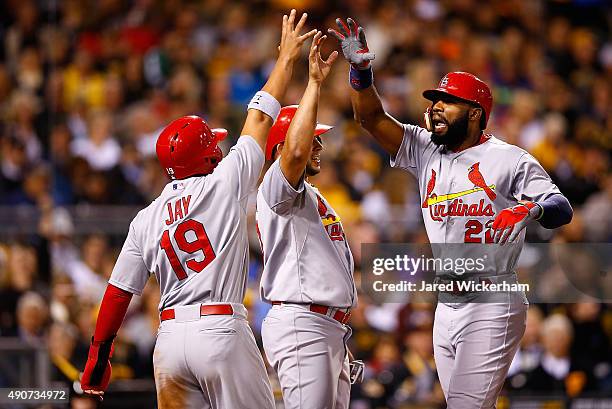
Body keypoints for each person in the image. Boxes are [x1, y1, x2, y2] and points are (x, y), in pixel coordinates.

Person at [329, 17, 573, 408]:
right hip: (447, 302)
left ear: (475, 113)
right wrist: (361, 72)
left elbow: (561, 207)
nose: (436, 108)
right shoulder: (425, 147)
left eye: (447, 102)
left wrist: (530, 209)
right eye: (434, 101)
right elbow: (370, 118)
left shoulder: (508, 158)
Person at [80, 10, 317, 408]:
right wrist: (286, 59)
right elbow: (261, 116)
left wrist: (97, 358)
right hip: (221, 330)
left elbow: (118, 294)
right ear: (208, 154)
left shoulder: (146, 218)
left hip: (169, 341)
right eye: (214, 143)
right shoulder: (223, 183)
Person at [256, 32, 359, 409]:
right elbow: (296, 150)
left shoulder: (311, 195)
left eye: (318, 140)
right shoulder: (274, 186)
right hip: (304, 323)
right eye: (312, 139)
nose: (319, 146)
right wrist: (314, 83)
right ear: (281, 148)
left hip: (328, 326)